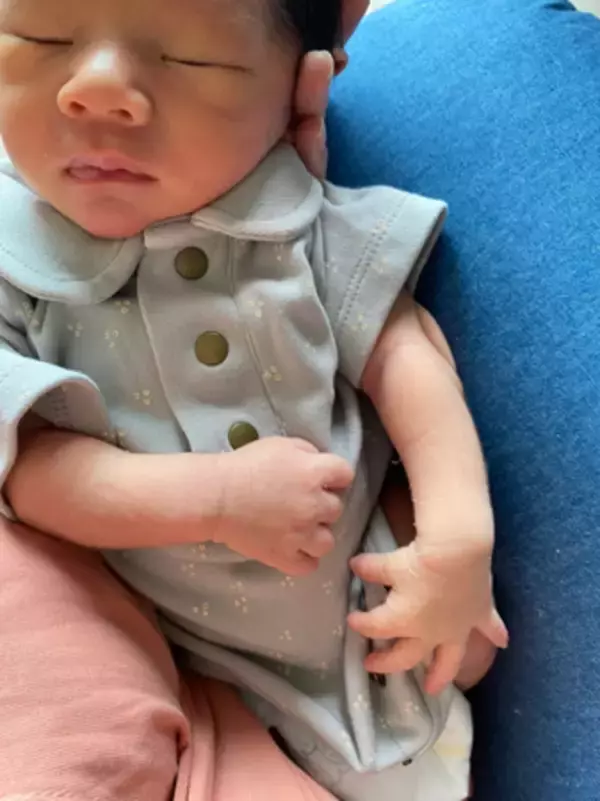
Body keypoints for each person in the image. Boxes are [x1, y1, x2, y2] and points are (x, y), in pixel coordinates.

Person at [0, 1, 505, 799]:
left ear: (299, 87)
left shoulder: (303, 225)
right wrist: (216, 498)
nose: (94, 89)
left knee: (464, 658)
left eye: (190, 60)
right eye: (43, 39)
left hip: (380, 625)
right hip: (196, 677)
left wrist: (457, 538)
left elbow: (408, 363)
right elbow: (33, 473)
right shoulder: (15, 265)